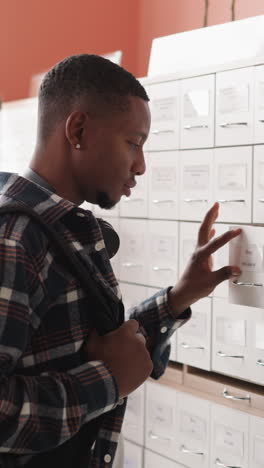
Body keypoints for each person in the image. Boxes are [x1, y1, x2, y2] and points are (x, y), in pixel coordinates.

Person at [0, 54, 241, 468]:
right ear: (78, 130)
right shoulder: (16, 239)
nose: (141, 165)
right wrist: (105, 382)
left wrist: (178, 298)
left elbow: (105, 352)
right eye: (134, 142)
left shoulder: (61, 228)